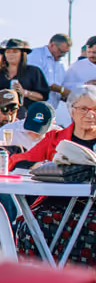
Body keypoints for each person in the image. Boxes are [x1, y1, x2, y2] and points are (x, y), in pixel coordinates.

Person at [6, 84, 96, 267]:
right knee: (30, 226)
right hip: (56, 205)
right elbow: (15, 161)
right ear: (71, 111)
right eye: (84, 109)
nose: (90, 114)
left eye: (95, 109)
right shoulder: (55, 138)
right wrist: (38, 165)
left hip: (93, 208)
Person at [0, 38, 51, 104]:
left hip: (26, 112)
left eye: (15, 51)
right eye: (8, 52)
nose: (11, 54)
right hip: (0, 112)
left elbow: (43, 96)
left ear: (22, 54)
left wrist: (25, 92)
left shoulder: (33, 72)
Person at [27, 32, 72, 117]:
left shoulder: (61, 64)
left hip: (51, 111)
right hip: (33, 108)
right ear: (52, 45)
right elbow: (41, 82)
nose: (62, 55)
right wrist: (62, 90)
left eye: (65, 53)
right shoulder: (35, 55)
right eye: (61, 51)